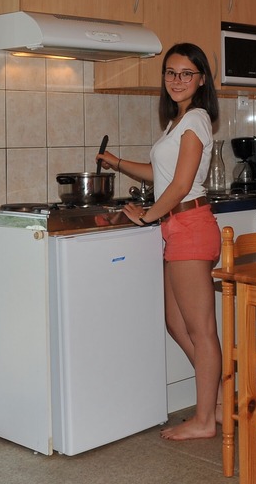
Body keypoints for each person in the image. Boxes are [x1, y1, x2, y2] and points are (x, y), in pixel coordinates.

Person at [97, 42, 221, 441]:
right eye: (170, 72)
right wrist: (115, 162)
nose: (177, 80)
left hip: (189, 224)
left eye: (186, 73)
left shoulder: (197, 118)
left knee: (201, 330)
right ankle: (215, 387)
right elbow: (161, 174)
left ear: (201, 79)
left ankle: (205, 419)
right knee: (175, 322)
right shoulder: (178, 123)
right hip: (178, 226)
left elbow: (182, 184)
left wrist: (149, 215)